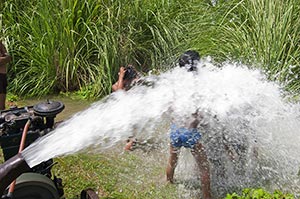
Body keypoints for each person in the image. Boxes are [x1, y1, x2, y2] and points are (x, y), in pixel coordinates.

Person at [166, 50, 212, 199]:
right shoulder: (199, 84)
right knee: (204, 168)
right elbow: (202, 110)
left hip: (175, 129)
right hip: (190, 132)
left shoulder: (177, 83)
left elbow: (171, 108)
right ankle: (207, 196)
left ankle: (169, 181)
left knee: (172, 160)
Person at [112, 64, 140, 150]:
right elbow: (120, 93)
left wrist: (135, 71)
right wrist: (121, 76)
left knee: (133, 129)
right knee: (128, 129)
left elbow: (141, 80)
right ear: (125, 79)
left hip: (130, 110)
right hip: (121, 112)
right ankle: (127, 146)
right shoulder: (116, 86)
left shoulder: (130, 84)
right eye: (130, 80)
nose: (132, 81)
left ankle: (131, 142)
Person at [0, 40, 12, 110]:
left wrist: (6, 58)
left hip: (2, 76)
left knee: (2, 108)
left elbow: (8, 56)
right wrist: (6, 58)